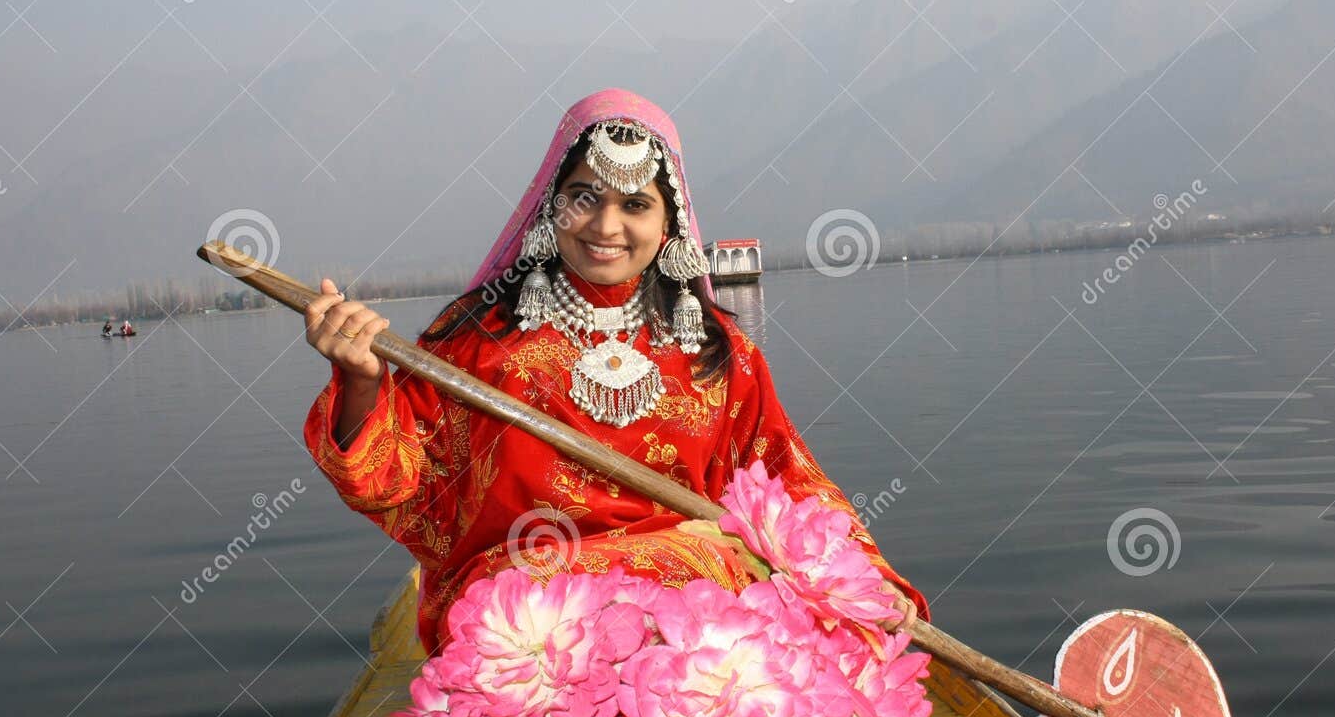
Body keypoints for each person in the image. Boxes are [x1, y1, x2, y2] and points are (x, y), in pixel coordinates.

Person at [303, 88, 927, 652]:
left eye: (634, 204)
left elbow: (786, 483)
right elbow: (398, 483)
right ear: (552, 207)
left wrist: (868, 582)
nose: (606, 227)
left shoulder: (718, 352)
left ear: (669, 223)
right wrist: (361, 382)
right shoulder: (476, 344)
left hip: (695, 614)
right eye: (583, 198)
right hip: (529, 614)